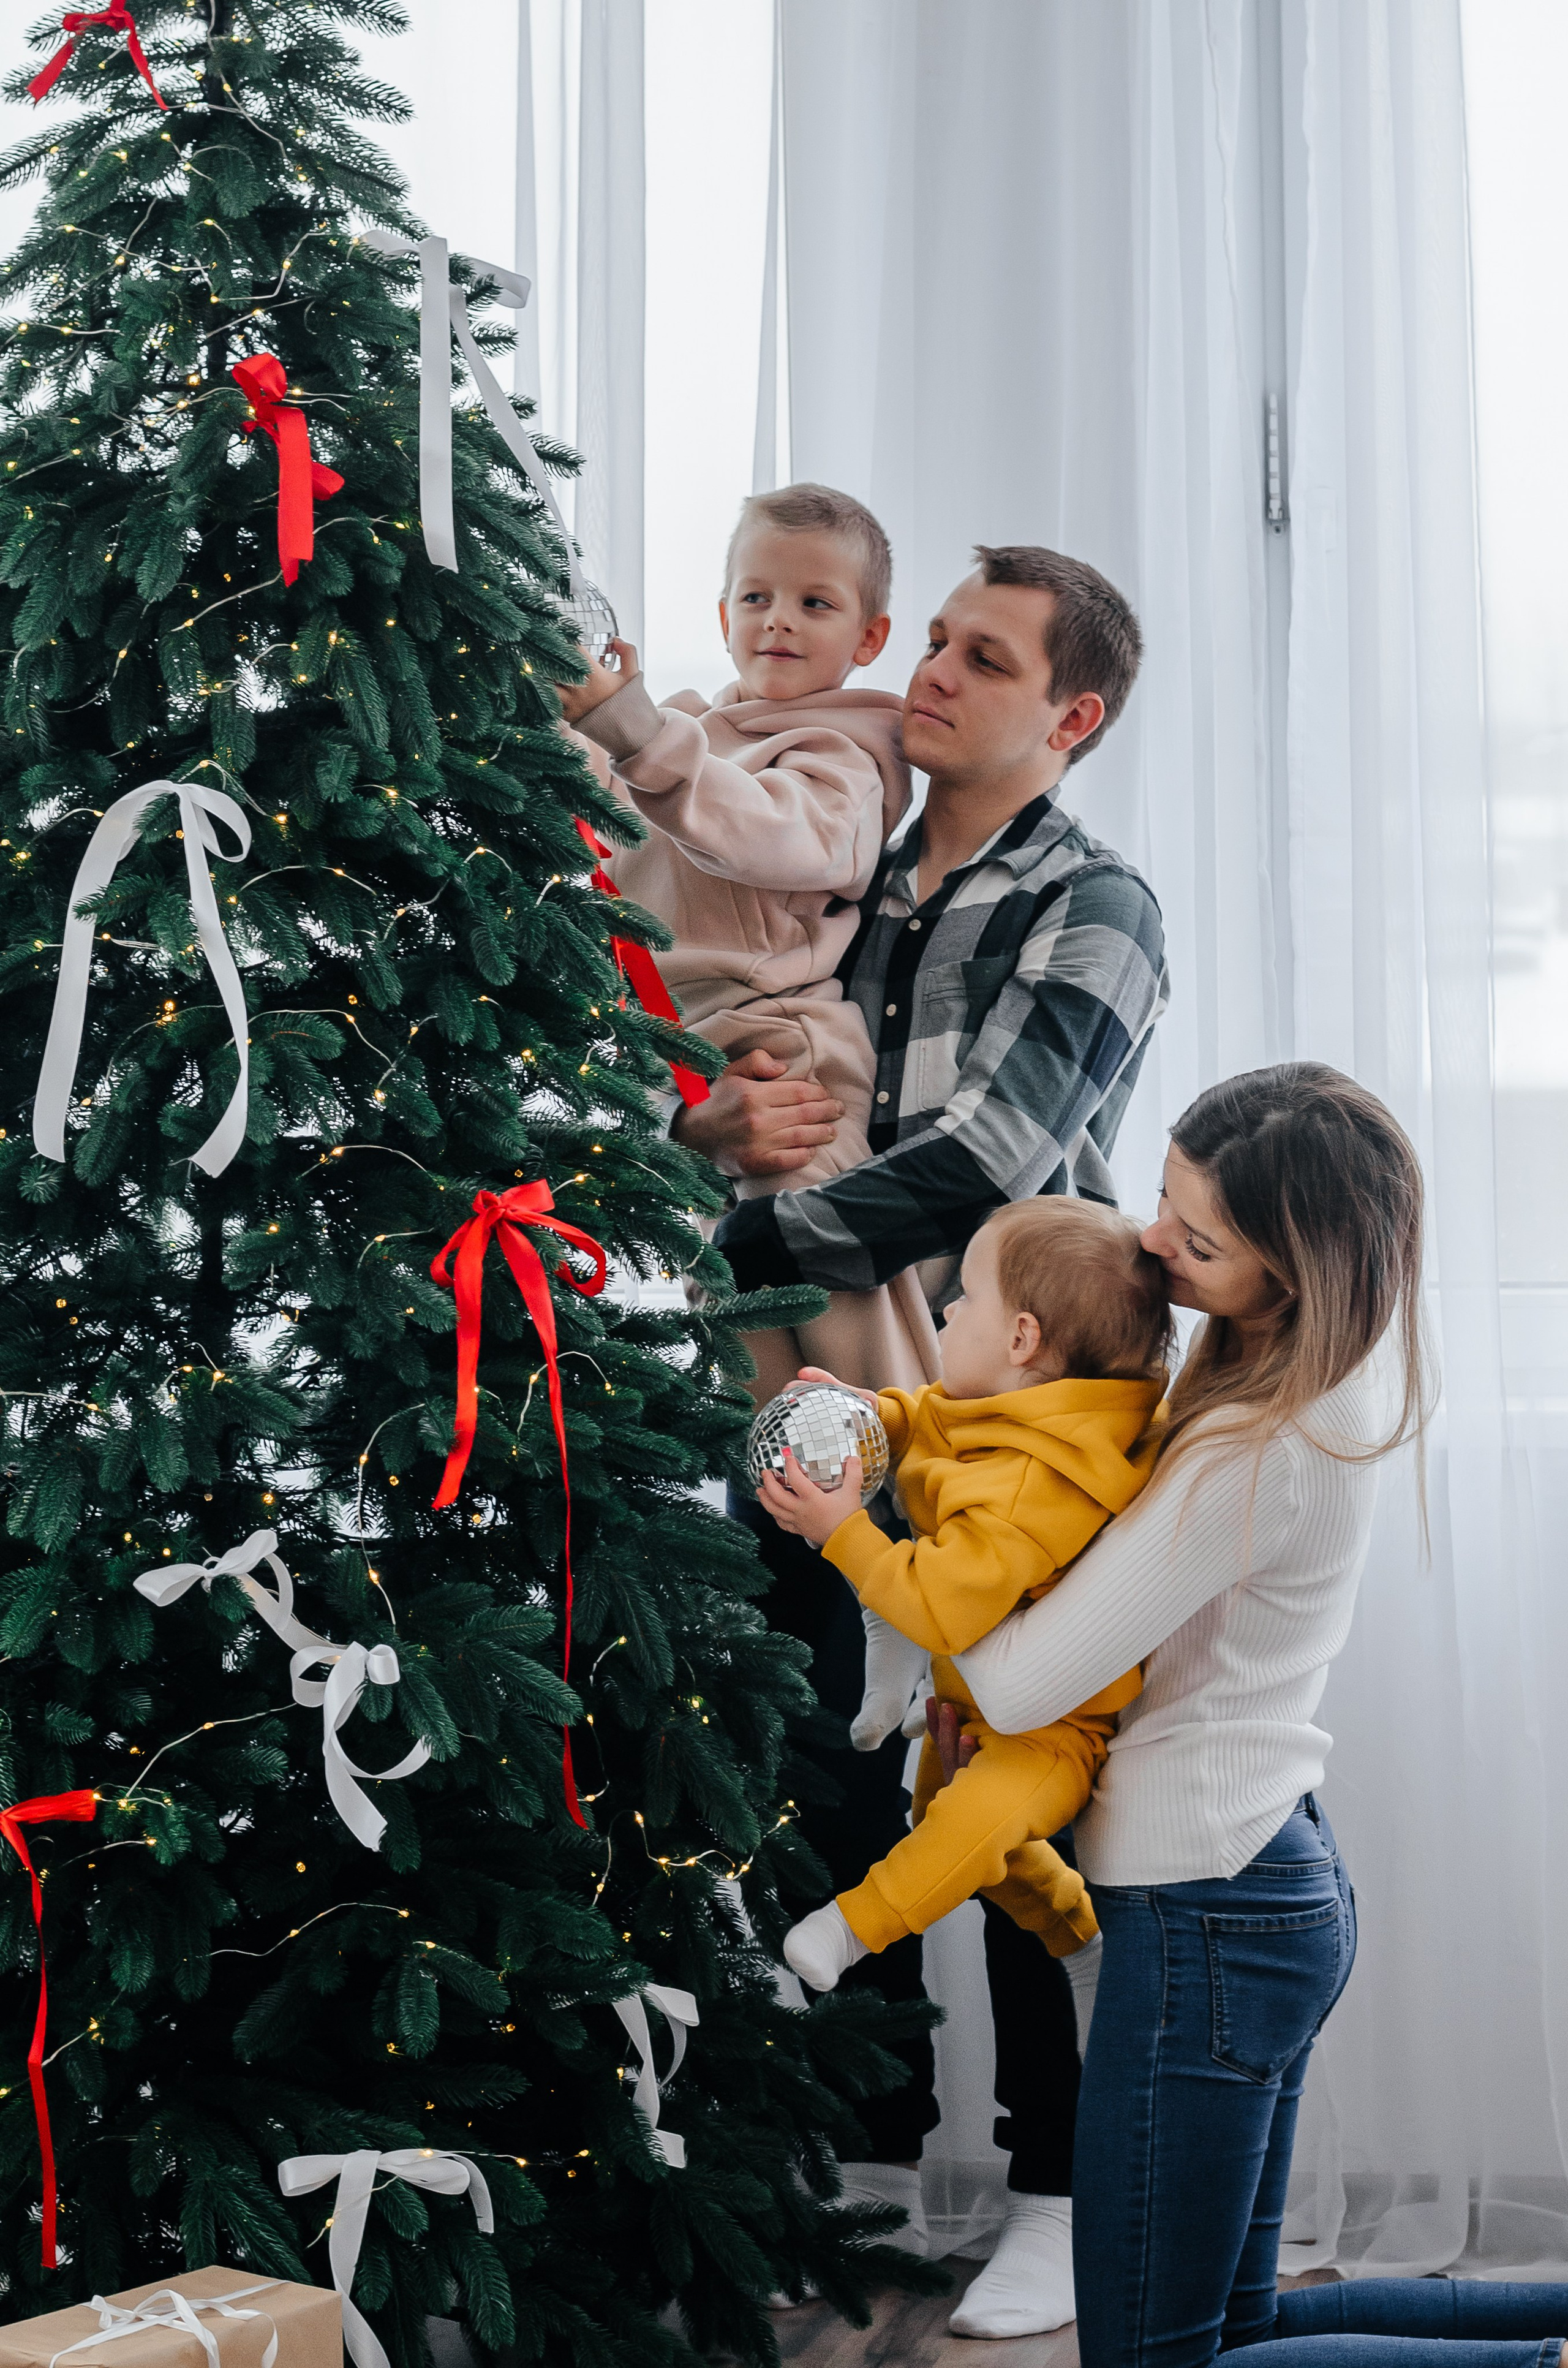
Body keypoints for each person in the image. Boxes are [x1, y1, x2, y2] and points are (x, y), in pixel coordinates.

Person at [684, 545, 1169, 2334]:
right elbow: (732, 1050)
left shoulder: (1096, 899)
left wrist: (729, 1232)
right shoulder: (843, 854)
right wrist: (713, 1117)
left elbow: (989, 1160)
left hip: (1017, 1410)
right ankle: (853, 2148)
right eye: (940, 646)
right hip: (826, 1385)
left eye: (987, 657)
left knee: (1007, 1767)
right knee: (814, 1751)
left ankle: (1054, 2183)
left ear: (1073, 713)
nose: (938, 678)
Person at [939, 1062, 1432, 2359]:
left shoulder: (1253, 1446)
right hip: (1261, 1878)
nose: (1148, 1243)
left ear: (1290, 1271)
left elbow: (1017, 1679)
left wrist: (896, 1537)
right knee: (1238, 2327)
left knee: (1154, 2351)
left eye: (1195, 1238)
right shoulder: (1300, 1372)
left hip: (1208, 1912)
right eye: (1161, 1196)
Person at [556, 480, 940, 1403]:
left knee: (848, 1330)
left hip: (786, 1053)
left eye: (816, 604)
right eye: (758, 599)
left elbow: (771, 833)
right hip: (685, 1067)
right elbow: (608, 815)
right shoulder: (686, 735)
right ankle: (791, 1515)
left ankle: (933, 1499)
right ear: (725, 613)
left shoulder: (846, 755)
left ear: (868, 638)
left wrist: (639, 733)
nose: (780, 623)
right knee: (750, 1350)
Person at [756, 1198, 1169, 1989]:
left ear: (1022, 1338)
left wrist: (844, 1527)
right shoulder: (1007, 1403)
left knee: (965, 1829)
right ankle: (1077, 1937)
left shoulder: (1032, 1487)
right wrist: (870, 1411)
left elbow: (941, 1605)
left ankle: (851, 1927)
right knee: (951, 1828)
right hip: (971, 1696)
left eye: (967, 1296)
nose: (946, 1307)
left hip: (1053, 1736)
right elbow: (929, 1417)